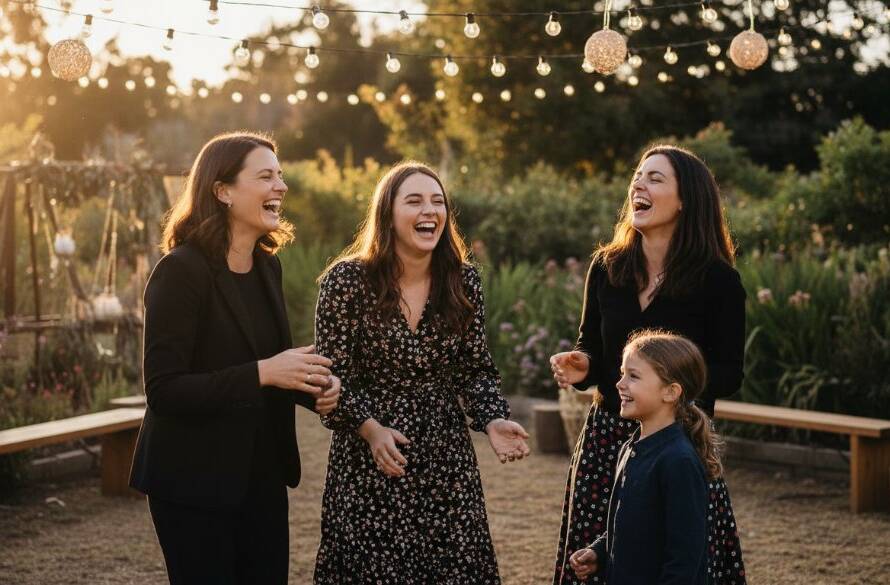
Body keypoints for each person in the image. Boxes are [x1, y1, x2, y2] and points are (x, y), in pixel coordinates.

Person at [129, 131, 340, 584]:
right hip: (192, 481)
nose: (280, 186)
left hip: (262, 475)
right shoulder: (180, 271)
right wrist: (265, 372)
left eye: (280, 176)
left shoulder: (268, 265)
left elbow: (265, 362)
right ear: (222, 191)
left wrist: (313, 386)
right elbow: (164, 390)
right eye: (265, 176)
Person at [313, 161, 530, 584]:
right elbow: (330, 378)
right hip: (371, 460)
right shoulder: (345, 282)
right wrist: (369, 428)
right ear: (388, 215)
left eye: (437, 202)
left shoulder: (463, 282)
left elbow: (475, 369)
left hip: (446, 457)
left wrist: (493, 418)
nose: (429, 210)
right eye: (414, 201)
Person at [551, 145, 747, 585]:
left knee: (677, 558)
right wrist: (582, 364)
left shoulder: (718, 281)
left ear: (686, 200)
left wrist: (667, 386)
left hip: (678, 437)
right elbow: (594, 349)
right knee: (595, 559)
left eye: (655, 178)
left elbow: (730, 372)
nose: (639, 184)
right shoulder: (607, 266)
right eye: (638, 176)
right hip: (606, 438)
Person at [569, 330, 718, 584]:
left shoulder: (678, 461)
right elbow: (631, 524)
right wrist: (600, 552)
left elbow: (685, 557)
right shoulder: (631, 447)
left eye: (633, 376)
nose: (619, 384)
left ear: (670, 392)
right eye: (622, 373)